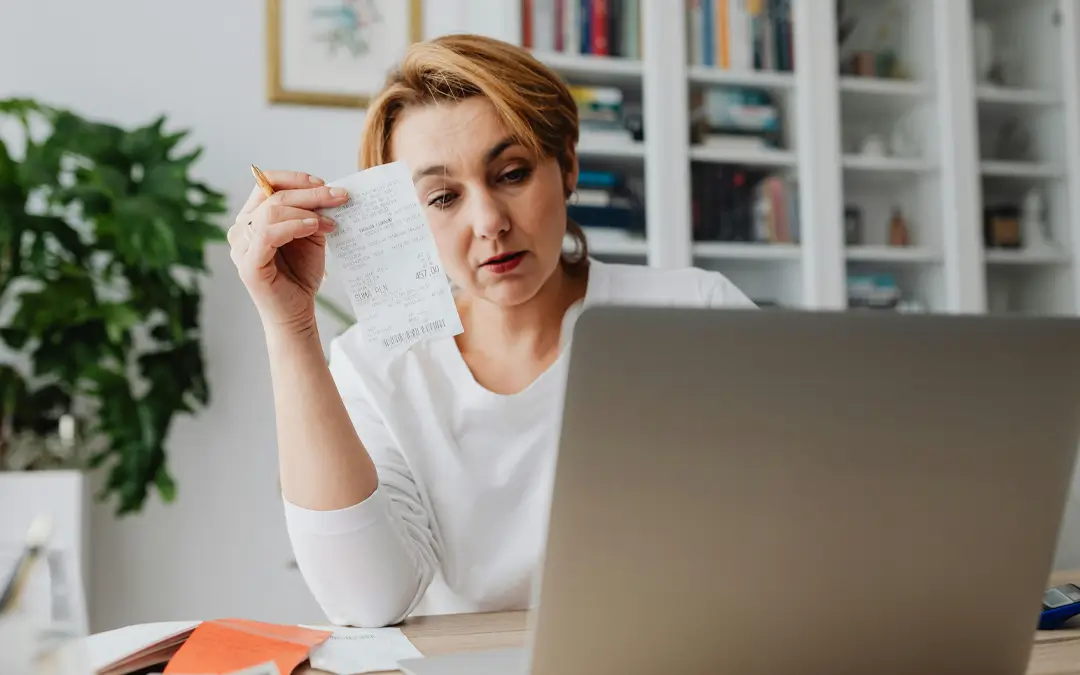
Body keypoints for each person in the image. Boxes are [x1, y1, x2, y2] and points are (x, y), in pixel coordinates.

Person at [227, 33, 756, 628]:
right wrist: (290, 325)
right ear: (405, 216)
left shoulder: (698, 314)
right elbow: (366, 601)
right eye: (444, 196)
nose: (489, 223)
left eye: (511, 173)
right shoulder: (377, 369)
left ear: (568, 166)